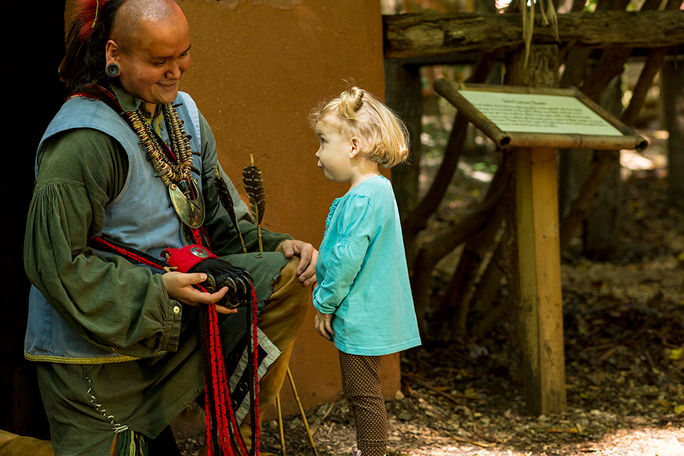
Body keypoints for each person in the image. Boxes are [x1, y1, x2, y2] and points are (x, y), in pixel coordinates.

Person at [22, 0, 317, 454]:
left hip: (172, 328)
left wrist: (282, 246)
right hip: (96, 359)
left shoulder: (185, 116)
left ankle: (216, 418)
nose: (176, 71)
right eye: (159, 61)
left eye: (183, 54)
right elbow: (55, 265)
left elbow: (221, 221)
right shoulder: (83, 141)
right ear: (114, 54)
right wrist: (159, 292)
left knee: (286, 278)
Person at [309, 87, 422, 456]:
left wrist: (325, 302)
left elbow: (346, 259)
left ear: (353, 146)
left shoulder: (361, 197)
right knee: (366, 392)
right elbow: (343, 253)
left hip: (359, 317)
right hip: (370, 311)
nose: (318, 153)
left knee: (363, 394)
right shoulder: (379, 190)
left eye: (324, 142)